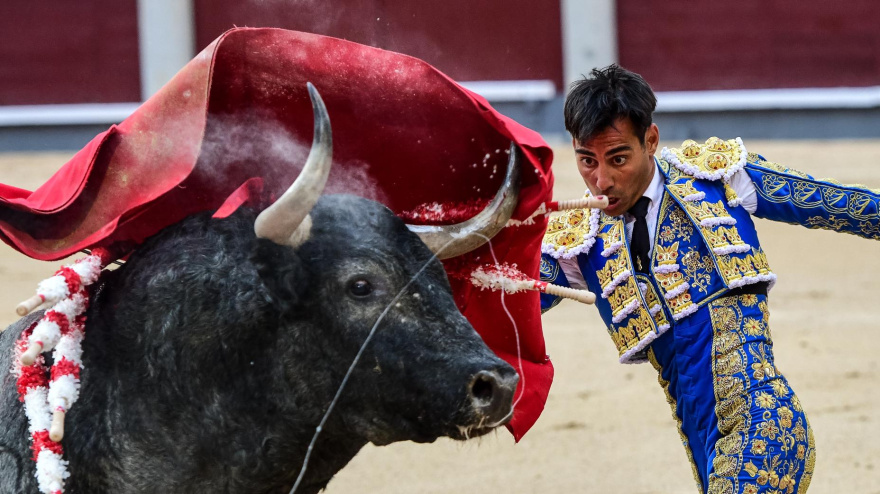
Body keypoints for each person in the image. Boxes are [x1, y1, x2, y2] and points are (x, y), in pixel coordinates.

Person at [539, 64, 880, 494]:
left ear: (651, 140)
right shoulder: (582, 242)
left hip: (766, 429)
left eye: (618, 159)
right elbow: (506, 297)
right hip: (708, 454)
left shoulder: (717, 178)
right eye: (587, 161)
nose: (601, 181)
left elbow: (836, 204)